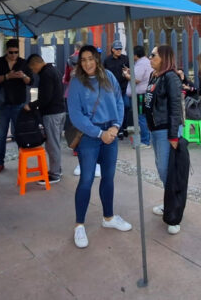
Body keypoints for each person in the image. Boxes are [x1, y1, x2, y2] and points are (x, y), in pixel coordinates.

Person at [67, 45, 132, 248]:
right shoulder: (77, 82)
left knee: (108, 177)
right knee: (86, 180)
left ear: (97, 58)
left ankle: (109, 217)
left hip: (110, 133)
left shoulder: (109, 77)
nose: (87, 63)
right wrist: (99, 133)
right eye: (83, 60)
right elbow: (76, 115)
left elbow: (119, 103)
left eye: (90, 59)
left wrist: (114, 127)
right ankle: (79, 225)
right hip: (89, 136)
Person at [143, 44, 184, 234]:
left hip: (167, 130)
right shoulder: (154, 76)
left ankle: (174, 215)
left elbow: (176, 108)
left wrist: (174, 135)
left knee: (169, 172)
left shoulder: (171, 77)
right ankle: (169, 204)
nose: (149, 58)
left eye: (153, 55)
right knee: (162, 171)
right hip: (155, 130)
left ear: (164, 58)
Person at [0, 39, 31, 175]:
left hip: (18, 103)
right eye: (11, 52)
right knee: (1, 135)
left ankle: (22, 161)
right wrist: (8, 76)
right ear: (6, 51)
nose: (14, 55)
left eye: (16, 52)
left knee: (19, 133)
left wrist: (23, 75)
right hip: (3, 104)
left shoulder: (23, 63)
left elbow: (30, 81)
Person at [26, 53, 66, 184]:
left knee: (52, 144)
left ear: (35, 64)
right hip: (60, 111)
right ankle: (57, 169)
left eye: (32, 69)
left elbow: (45, 98)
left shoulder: (46, 74)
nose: (33, 72)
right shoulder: (53, 69)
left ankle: (54, 174)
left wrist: (31, 106)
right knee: (55, 143)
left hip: (52, 114)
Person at [122, 45, 151, 148]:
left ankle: (145, 141)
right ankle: (147, 139)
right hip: (142, 94)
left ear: (136, 55)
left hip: (140, 96)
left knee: (141, 117)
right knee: (143, 117)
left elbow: (137, 79)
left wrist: (126, 75)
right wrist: (130, 71)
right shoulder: (144, 62)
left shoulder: (141, 64)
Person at [102, 40, 130, 139]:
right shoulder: (107, 60)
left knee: (126, 107)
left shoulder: (125, 59)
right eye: (117, 49)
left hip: (124, 88)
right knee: (115, 109)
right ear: (112, 49)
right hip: (112, 89)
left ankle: (125, 127)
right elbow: (103, 74)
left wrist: (127, 72)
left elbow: (131, 72)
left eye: (120, 49)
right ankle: (120, 130)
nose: (119, 51)